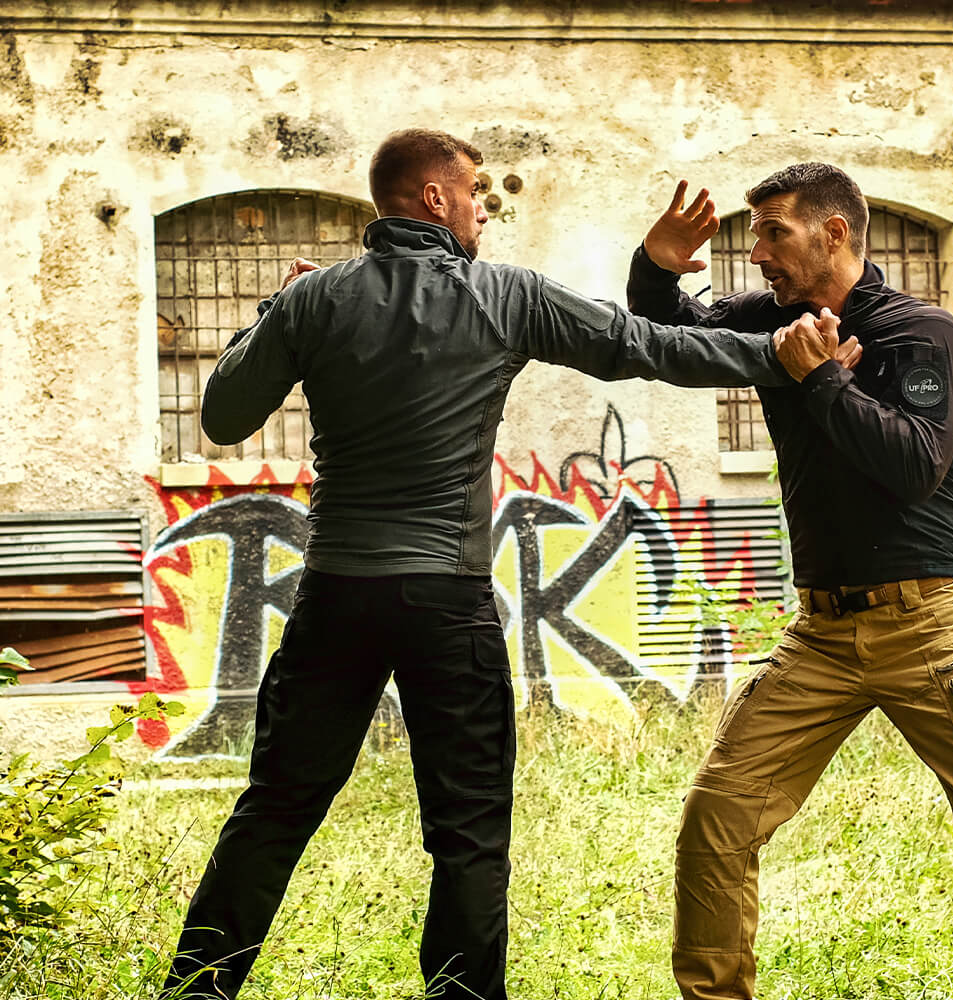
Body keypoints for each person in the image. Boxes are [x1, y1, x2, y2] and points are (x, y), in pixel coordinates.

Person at [162, 129, 849, 1000]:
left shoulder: (315, 300)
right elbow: (643, 345)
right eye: (475, 191)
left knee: (274, 809)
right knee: (469, 835)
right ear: (435, 199)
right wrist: (776, 357)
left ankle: (196, 992)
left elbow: (223, 415)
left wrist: (277, 308)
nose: (483, 208)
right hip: (446, 607)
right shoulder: (505, 295)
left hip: (336, 598)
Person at [628, 164, 953, 1000]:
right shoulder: (772, 321)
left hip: (928, 624)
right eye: (755, 235)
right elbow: (669, 339)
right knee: (719, 812)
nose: (758, 253)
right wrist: (656, 267)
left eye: (774, 232)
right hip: (819, 635)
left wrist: (822, 380)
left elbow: (916, 466)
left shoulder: (921, 334)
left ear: (834, 233)